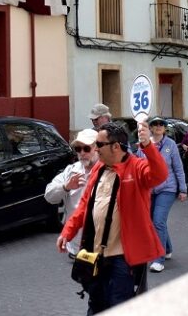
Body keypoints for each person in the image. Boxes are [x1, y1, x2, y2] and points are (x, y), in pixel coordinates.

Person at [57, 121, 167, 314]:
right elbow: (84, 205)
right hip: (95, 254)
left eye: (99, 145)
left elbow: (159, 175)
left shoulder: (137, 167)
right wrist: (67, 232)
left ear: (116, 146)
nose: (95, 149)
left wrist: (147, 145)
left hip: (123, 258)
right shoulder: (99, 169)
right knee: (96, 304)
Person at [135, 117, 186, 272]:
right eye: (155, 124)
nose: (158, 127)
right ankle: (168, 247)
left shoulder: (170, 145)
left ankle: (159, 258)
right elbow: (138, 166)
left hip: (167, 188)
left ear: (165, 128)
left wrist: (183, 189)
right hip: (149, 189)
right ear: (150, 128)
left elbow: (178, 167)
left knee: (158, 221)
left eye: (161, 125)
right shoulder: (143, 145)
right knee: (156, 222)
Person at [45, 128, 100, 258]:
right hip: (77, 244)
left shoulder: (108, 170)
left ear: (98, 148)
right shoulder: (71, 170)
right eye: (78, 149)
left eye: (86, 149)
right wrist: (66, 187)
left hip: (103, 244)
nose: (82, 153)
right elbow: (49, 196)